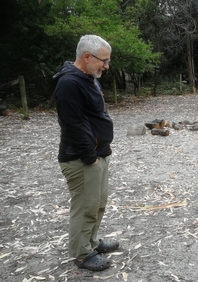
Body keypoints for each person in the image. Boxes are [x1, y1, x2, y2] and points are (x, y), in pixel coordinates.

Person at [53, 35, 119, 271]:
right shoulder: (69, 83)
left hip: (96, 155)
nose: (106, 66)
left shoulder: (90, 78)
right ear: (87, 56)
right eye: (104, 60)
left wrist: (101, 151)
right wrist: (90, 156)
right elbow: (72, 124)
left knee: (98, 203)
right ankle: (82, 254)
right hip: (81, 159)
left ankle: (91, 242)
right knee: (84, 206)